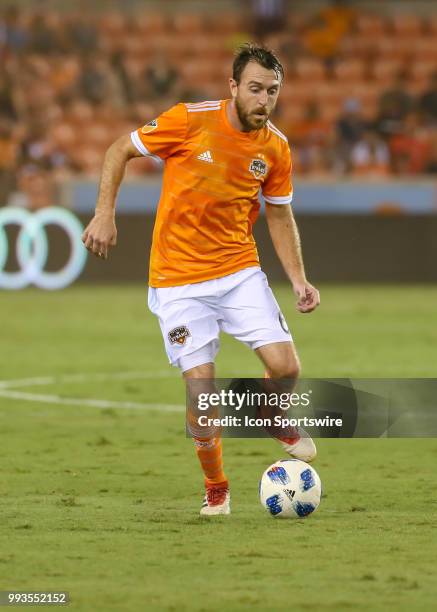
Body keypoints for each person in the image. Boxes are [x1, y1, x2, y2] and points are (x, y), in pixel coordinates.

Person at [82, 44, 320, 516]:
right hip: (177, 280)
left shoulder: (275, 148)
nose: (263, 100)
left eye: (272, 91)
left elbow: (279, 215)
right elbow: (118, 150)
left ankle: (270, 412)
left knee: (287, 367)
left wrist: (298, 279)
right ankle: (217, 486)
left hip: (237, 271)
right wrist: (103, 214)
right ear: (233, 87)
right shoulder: (189, 121)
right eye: (254, 89)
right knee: (202, 395)